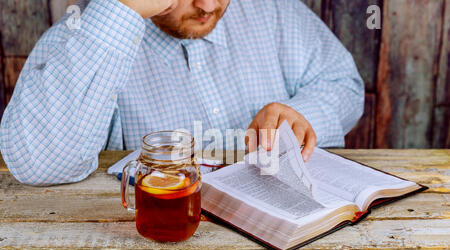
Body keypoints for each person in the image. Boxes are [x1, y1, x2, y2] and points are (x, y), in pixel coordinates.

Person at [0, 0, 364, 186]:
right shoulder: (82, 41)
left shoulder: (274, 10)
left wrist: (296, 115)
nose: (208, 6)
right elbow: (41, 166)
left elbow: (343, 82)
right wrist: (122, 10)